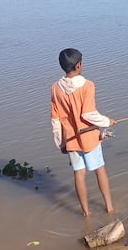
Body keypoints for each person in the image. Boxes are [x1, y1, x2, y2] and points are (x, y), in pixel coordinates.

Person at [50, 48, 117, 218]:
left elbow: (55, 120)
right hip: (89, 138)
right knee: (100, 170)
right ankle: (109, 208)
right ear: (79, 65)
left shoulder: (55, 88)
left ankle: (86, 214)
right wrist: (107, 121)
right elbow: (88, 114)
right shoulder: (88, 85)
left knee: (79, 174)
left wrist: (61, 143)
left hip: (71, 140)